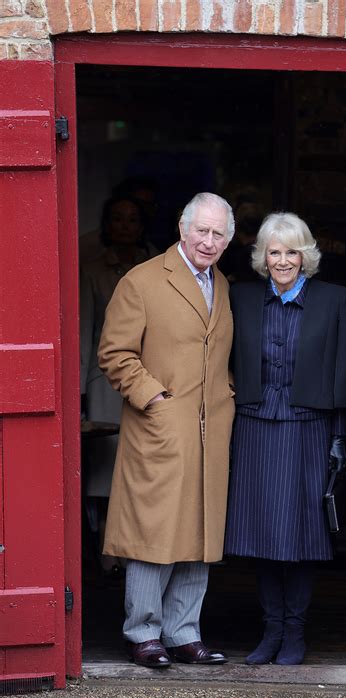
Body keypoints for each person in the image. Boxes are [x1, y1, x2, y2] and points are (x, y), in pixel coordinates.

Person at [98, 192, 236, 669]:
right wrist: (154, 399)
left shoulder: (222, 283)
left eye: (219, 234)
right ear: (182, 227)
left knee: (198, 531)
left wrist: (227, 394)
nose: (209, 241)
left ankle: (184, 633)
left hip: (210, 428)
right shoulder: (141, 281)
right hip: (160, 427)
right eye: (202, 230)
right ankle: (143, 632)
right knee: (152, 531)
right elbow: (115, 354)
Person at [224, 212, 346, 665]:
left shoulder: (333, 299)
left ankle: (295, 632)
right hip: (253, 425)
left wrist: (340, 438)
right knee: (261, 533)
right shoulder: (240, 298)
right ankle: (270, 631)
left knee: (302, 535)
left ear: (306, 256)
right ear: (262, 257)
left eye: (291, 251)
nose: (283, 260)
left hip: (309, 428)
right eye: (274, 251)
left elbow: (344, 372)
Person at [80, 195, 157, 577]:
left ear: (142, 226)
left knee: (147, 470)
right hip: (104, 383)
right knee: (106, 473)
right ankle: (108, 554)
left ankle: (142, 554)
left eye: (132, 219)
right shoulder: (92, 272)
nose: (125, 226)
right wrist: (78, 392)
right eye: (117, 219)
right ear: (107, 226)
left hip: (153, 380)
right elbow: (84, 333)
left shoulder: (161, 267)